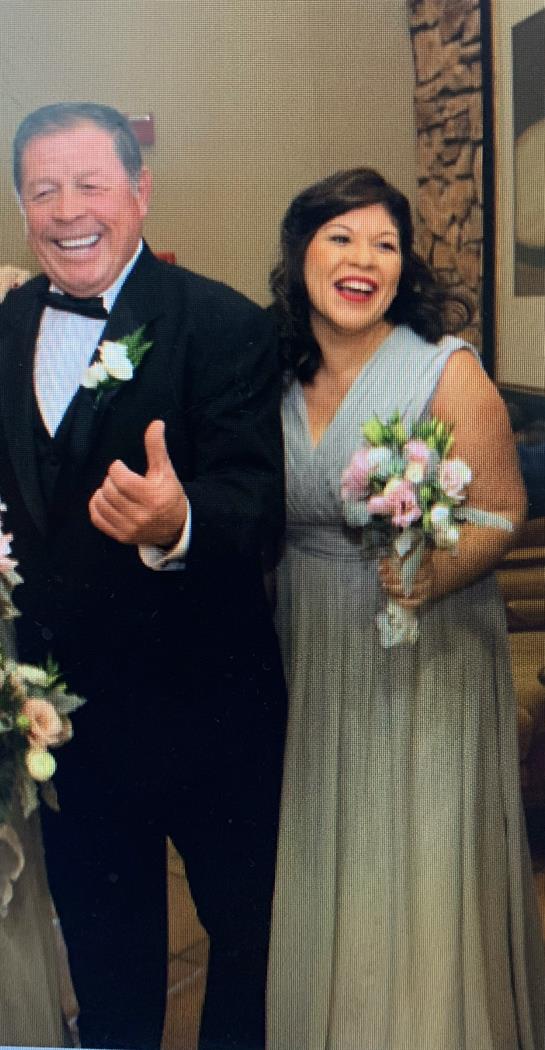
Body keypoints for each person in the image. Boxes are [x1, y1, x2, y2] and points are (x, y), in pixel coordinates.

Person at [0, 102, 287, 1050]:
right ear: (20, 205)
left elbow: (261, 507)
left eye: (90, 184)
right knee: (107, 963)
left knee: (245, 945)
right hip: (69, 731)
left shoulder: (224, 324)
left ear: (141, 190)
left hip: (211, 716)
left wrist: (180, 522)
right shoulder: (6, 324)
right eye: (44, 189)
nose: (68, 210)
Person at [266, 167, 545, 1050]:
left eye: (384, 244)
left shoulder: (444, 372)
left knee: (416, 856)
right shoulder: (268, 370)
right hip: (305, 637)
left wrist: (430, 572)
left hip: (423, 645)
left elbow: (500, 511)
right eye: (340, 238)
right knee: (329, 855)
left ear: (402, 267)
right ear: (300, 252)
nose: (361, 260)